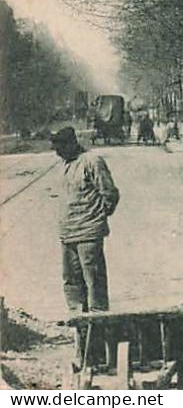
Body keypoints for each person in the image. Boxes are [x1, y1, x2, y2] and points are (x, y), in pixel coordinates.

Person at [51, 127, 120, 313]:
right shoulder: (65, 165)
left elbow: (110, 193)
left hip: (88, 233)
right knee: (71, 282)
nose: (58, 153)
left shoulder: (92, 161)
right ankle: (80, 325)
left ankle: (98, 324)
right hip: (68, 234)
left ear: (72, 143)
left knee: (94, 281)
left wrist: (97, 217)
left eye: (61, 148)